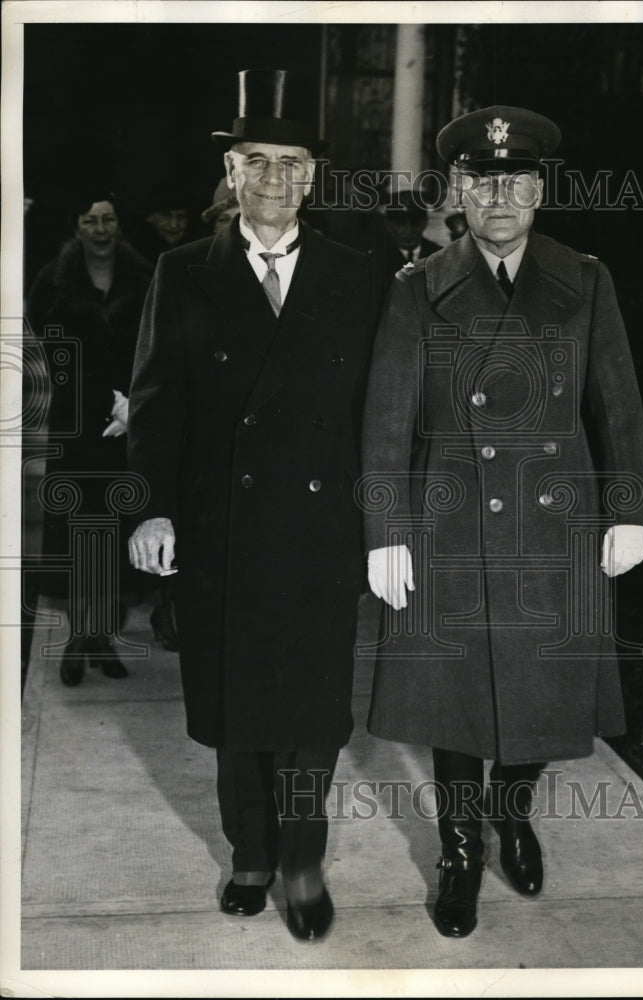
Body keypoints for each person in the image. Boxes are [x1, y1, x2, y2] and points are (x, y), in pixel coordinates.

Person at [360, 105, 643, 938]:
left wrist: (629, 510)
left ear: (539, 188)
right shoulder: (418, 287)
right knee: (451, 696)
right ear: (459, 190)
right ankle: (458, 848)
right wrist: (385, 530)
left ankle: (511, 809)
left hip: (553, 520)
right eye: (481, 183)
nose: (498, 199)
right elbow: (386, 416)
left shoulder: (586, 279)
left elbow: (619, 407)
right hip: (447, 517)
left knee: (538, 689)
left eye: (514, 182)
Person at [126, 68, 378, 941]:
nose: (275, 179)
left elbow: (379, 415)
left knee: (313, 710)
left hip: (319, 529)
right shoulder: (182, 271)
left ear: (312, 177)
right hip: (220, 527)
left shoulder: (358, 274)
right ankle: (251, 854)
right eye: (257, 161)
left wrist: (384, 526)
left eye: (292, 163)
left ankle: (302, 862)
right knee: (237, 704)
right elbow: (156, 401)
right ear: (231, 175)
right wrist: (152, 509)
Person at [26, 190, 154, 685]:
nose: (100, 229)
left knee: (116, 526)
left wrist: (132, 404)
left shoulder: (143, 280)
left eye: (108, 219)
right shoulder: (53, 283)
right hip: (76, 424)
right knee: (79, 530)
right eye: (90, 220)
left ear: (118, 226)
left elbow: (155, 345)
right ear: (76, 228)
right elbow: (46, 344)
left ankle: (103, 634)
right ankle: (78, 638)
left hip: (126, 422)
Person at [371, 180, 442, 291]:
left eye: (415, 222)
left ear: (425, 222)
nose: (409, 230)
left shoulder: (439, 256)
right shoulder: (374, 259)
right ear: (388, 224)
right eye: (400, 222)